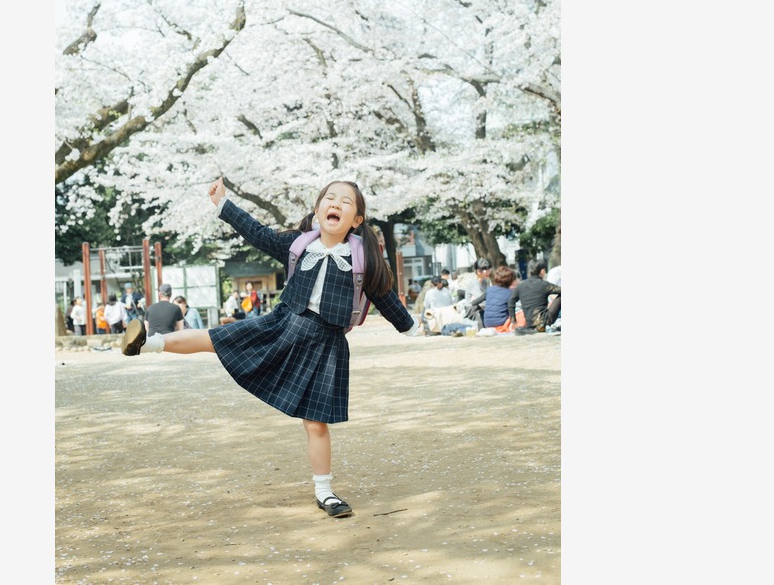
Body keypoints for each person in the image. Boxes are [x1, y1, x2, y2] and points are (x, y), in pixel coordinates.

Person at [119, 177, 415, 519]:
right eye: (329, 198)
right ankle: (147, 342)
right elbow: (258, 233)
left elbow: (386, 299)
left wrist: (409, 327)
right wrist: (224, 205)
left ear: (357, 220)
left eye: (345, 202)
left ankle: (325, 492)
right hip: (282, 323)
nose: (336, 204)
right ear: (318, 210)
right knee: (216, 338)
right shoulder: (299, 244)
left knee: (316, 424)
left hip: (326, 343)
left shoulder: (365, 261)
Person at [508, 260, 561, 335]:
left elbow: (511, 301)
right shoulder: (544, 285)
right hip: (545, 322)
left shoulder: (521, 286)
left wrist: (513, 321)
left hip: (530, 324)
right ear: (542, 271)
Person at [474, 265, 517, 329]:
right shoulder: (510, 292)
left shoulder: (489, 290)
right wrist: (514, 322)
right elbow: (511, 309)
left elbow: (475, 302)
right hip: (502, 323)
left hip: (487, 323)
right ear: (510, 280)